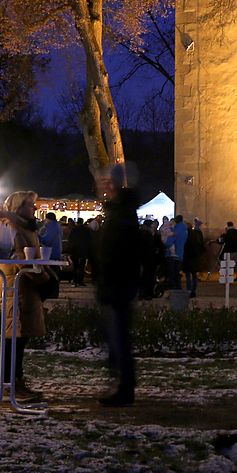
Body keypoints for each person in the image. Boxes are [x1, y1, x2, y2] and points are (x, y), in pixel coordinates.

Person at [92, 163, 145, 406]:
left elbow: (119, 250)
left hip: (118, 283)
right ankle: (122, 382)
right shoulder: (119, 210)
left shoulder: (122, 213)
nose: (103, 185)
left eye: (107, 181)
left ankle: (125, 387)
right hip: (116, 282)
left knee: (119, 336)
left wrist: (108, 280)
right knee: (114, 335)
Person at [0, 190, 50, 398]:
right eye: (30, 204)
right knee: (14, 337)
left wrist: (49, 272)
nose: (34, 208)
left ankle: (16, 381)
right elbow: (22, 260)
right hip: (16, 287)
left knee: (21, 337)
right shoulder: (11, 227)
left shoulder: (28, 227)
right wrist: (46, 279)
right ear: (18, 207)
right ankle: (10, 384)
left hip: (27, 287)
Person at [184, 219, 208, 297]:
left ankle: (188, 290)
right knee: (194, 275)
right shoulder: (196, 235)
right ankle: (193, 291)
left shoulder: (185, 235)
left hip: (187, 258)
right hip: (195, 257)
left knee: (188, 276)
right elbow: (201, 246)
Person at [164, 216, 189, 290]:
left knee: (171, 274)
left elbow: (168, 243)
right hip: (180, 253)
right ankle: (178, 289)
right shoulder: (185, 231)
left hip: (172, 254)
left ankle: (172, 291)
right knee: (177, 274)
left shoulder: (176, 231)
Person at [67, 218, 91, 286]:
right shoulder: (86, 230)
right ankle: (81, 281)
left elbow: (70, 239)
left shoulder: (74, 230)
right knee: (82, 266)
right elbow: (90, 239)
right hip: (83, 249)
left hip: (75, 249)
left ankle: (75, 280)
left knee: (75, 266)